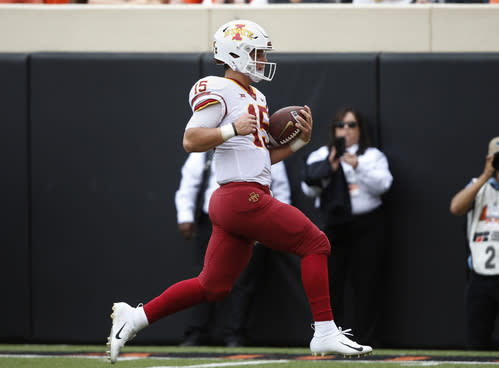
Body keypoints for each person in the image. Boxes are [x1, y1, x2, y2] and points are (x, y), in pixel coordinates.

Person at [106, 19, 372, 364]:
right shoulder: (220, 87)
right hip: (241, 198)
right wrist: (231, 128)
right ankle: (324, 331)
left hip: (240, 198)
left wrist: (299, 144)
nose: (262, 60)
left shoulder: (256, 95)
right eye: (257, 53)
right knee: (316, 243)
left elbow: (261, 156)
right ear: (237, 53)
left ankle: (135, 317)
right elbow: (190, 139)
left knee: (212, 286)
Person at [175, 151, 291, 346]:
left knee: (244, 279)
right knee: (204, 277)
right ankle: (196, 332)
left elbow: (281, 189)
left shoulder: (264, 150)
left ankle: (235, 334)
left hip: (251, 221)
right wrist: (185, 215)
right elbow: (189, 183)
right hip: (213, 220)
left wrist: (277, 222)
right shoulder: (210, 146)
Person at [301, 107, 393, 347]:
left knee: (367, 285)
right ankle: (334, 340)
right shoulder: (321, 155)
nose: (346, 130)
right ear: (334, 129)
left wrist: (356, 165)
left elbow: (383, 185)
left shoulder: (371, 156)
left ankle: (370, 340)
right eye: (341, 125)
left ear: (360, 129)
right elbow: (308, 188)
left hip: (367, 225)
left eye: (351, 125)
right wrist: (328, 169)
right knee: (332, 285)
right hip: (332, 226)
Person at [450, 136, 499, 350]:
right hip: (480, 275)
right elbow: (456, 207)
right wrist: (486, 175)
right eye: (497, 158)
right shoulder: (479, 187)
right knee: (476, 343)